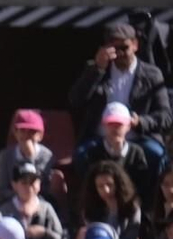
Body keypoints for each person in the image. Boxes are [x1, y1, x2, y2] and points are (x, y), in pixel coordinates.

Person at [68, 22, 170, 170]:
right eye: (114, 49)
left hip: (139, 138)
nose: (120, 54)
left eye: (124, 48)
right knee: (81, 155)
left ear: (135, 45)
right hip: (101, 138)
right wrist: (97, 70)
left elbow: (166, 116)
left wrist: (140, 122)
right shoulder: (97, 70)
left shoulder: (152, 74)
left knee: (157, 156)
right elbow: (75, 100)